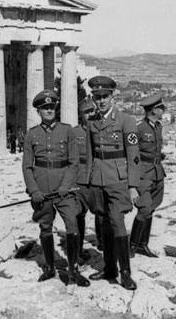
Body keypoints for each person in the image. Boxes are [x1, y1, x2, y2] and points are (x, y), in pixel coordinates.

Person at [22, 89, 90, 287]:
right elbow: (27, 166)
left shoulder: (67, 130)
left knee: (72, 226)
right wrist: (34, 190)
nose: (49, 111)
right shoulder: (32, 134)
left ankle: (73, 269)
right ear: (39, 111)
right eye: (45, 108)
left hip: (65, 190)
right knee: (45, 227)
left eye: (52, 107)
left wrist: (66, 186)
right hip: (42, 190)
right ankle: (50, 267)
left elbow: (74, 162)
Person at [85, 75, 140, 290]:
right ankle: (109, 268)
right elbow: (90, 154)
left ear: (112, 96)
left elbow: (134, 156)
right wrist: (87, 181)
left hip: (118, 178)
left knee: (117, 221)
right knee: (104, 222)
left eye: (105, 96)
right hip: (98, 177)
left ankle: (125, 272)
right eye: (97, 97)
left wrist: (133, 185)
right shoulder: (91, 121)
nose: (101, 101)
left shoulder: (126, 120)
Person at [130, 92, 167, 258]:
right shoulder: (138, 128)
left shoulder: (158, 126)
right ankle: (132, 245)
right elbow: (131, 155)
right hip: (143, 174)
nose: (163, 110)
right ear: (153, 110)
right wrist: (132, 183)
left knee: (151, 208)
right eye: (160, 108)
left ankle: (143, 245)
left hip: (157, 172)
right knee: (144, 209)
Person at [73, 97, 98, 261]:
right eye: (86, 112)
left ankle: (103, 245)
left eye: (92, 111)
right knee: (78, 215)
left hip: (97, 176)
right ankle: (78, 248)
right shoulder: (74, 133)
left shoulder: (101, 130)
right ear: (81, 115)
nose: (90, 115)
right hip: (79, 178)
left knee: (102, 214)